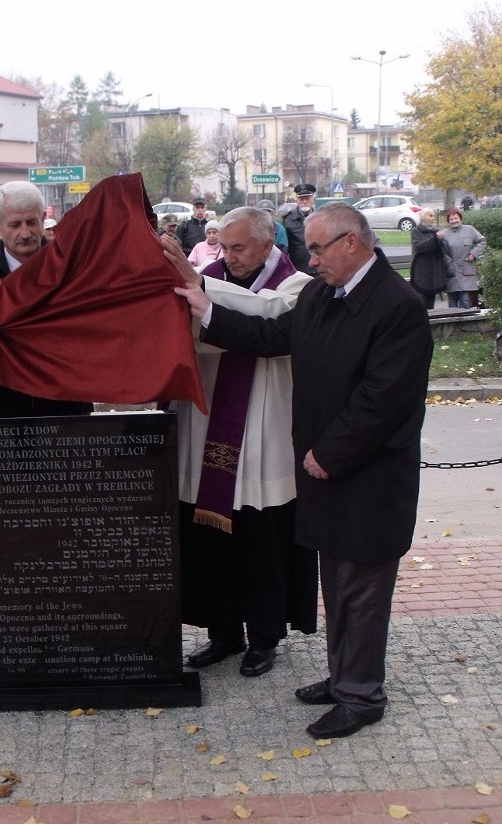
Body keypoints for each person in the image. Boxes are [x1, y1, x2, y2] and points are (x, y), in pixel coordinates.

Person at [168, 202, 432, 739]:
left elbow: (383, 398)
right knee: (336, 582)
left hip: (368, 478)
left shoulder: (397, 305)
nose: (310, 260)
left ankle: (361, 697)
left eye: (317, 249)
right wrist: (205, 307)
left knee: (361, 588)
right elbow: (269, 338)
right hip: (327, 473)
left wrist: (328, 453)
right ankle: (343, 677)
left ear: (352, 244)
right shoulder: (323, 295)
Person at [163, 208, 317, 678]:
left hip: (263, 438)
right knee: (211, 541)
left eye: (239, 248)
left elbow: (266, 322)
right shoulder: (204, 280)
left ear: (268, 244)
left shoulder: (297, 287)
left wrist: (203, 297)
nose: (228, 257)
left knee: (261, 538)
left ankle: (265, 638)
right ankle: (223, 633)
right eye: (223, 247)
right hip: (206, 428)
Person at [0, 180, 93, 419]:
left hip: (68, 414)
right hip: (2, 417)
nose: (25, 233)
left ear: (43, 218)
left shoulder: (74, 270)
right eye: (15, 224)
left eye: (32, 222)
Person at [443, 207, 486, 309]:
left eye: (456, 218)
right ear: (448, 221)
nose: (454, 221)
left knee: (465, 299)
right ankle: (452, 323)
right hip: (451, 272)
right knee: (452, 300)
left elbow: (482, 241)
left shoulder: (470, 230)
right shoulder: (444, 234)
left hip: (466, 269)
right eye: (451, 219)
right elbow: (441, 251)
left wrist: (473, 254)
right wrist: (448, 262)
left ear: (460, 218)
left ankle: (466, 323)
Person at [409, 208, 448, 309]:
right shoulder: (416, 231)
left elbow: (443, 249)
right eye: (430, 216)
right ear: (423, 217)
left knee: (431, 302)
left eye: (434, 216)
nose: (433, 218)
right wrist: (435, 239)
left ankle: (431, 322)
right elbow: (419, 247)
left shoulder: (436, 231)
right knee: (420, 302)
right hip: (421, 271)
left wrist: (441, 241)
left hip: (433, 271)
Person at [280, 183, 317, 275]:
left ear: (313, 199)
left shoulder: (321, 217)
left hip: (318, 267)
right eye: (301, 199)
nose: (304, 202)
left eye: (307, 199)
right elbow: (284, 247)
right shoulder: (287, 219)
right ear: (297, 200)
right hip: (297, 269)